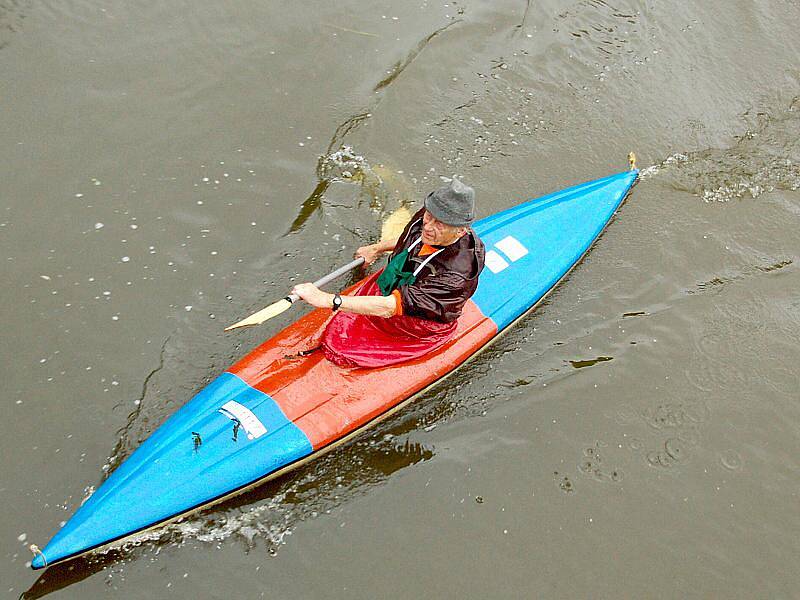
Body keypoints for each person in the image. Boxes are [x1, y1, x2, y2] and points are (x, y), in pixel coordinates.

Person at [291, 177, 485, 367]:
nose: (428, 226)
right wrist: (376, 248)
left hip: (414, 322)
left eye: (439, 224)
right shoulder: (430, 215)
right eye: (429, 217)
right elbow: (409, 238)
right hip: (394, 285)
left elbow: (390, 307)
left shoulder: (456, 277)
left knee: (345, 349)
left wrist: (327, 300)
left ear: (460, 231)